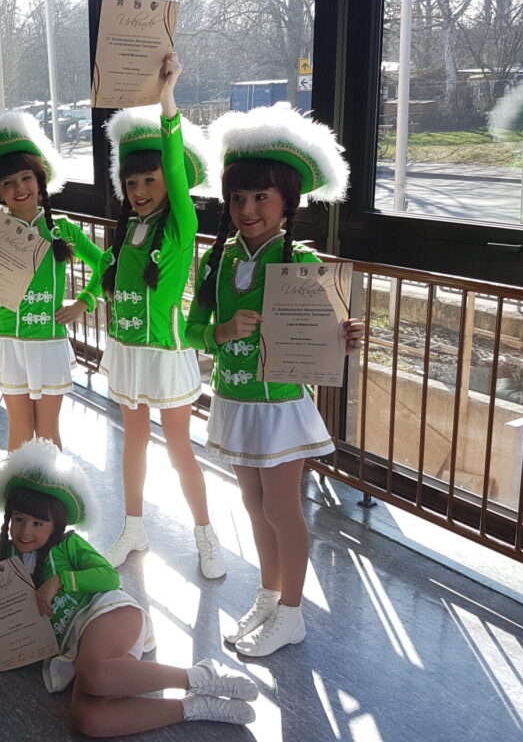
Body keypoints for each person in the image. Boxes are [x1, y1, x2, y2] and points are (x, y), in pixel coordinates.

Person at [186, 103, 364, 657]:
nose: (248, 209)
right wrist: (221, 331)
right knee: (253, 505)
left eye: (261, 196)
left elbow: (325, 339)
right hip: (234, 400)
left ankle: (292, 614)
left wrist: (345, 337)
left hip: (282, 406)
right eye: (238, 197)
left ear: (288, 201)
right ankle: (269, 595)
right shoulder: (214, 262)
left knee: (283, 510)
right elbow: (191, 331)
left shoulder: (304, 263)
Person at [0, 438, 258, 736]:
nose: (24, 531)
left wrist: (59, 580)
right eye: (18, 520)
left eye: (38, 523)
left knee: (93, 674)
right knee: (89, 720)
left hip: (106, 612)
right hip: (76, 645)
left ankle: (199, 677)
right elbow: (17, 619)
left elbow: (109, 577)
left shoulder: (69, 544)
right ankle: (194, 707)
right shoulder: (8, 559)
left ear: (55, 525)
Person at [97, 54, 224, 578]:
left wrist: (167, 99)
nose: (141, 191)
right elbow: (102, 272)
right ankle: (133, 527)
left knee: (177, 449)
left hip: (168, 354)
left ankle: (205, 534)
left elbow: (174, 164)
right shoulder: (128, 231)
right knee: (131, 442)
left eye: (149, 180)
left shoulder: (180, 225)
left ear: (169, 184)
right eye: (132, 184)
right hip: (128, 352)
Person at [0, 111, 104, 451]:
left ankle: (50, 489)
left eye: (26, 178)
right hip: (9, 343)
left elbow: (105, 265)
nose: (19, 188)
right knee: (19, 434)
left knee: (48, 435)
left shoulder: (63, 229)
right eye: (8, 183)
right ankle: (17, 488)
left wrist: (84, 302)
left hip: (49, 342)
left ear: (40, 181)